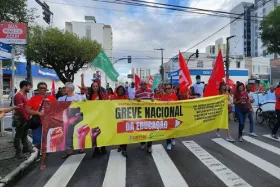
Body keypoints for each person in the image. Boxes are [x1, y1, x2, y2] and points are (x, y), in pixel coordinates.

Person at [26, 82, 56, 170]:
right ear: (38, 89)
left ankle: (43, 161)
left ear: (46, 89)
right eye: (41, 88)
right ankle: (43, 150)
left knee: (44, 143)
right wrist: (38, 113)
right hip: (37, 123)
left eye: (44, 88)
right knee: (37, 143)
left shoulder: (51, 98)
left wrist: (50, 104)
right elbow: (27, 110)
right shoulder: (33, 98)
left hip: (48, 123)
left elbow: (57, 109)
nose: (43, 89)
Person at [59, 82, 83, 159]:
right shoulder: (61, 99)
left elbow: (84, 107)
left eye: (65, 88)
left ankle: (80, 147)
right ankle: (69, 149)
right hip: (67, 118)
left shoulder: (78, 97)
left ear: (69, 89)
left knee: (76, 131)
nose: (64, 89)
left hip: (77, 117)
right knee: (68, 133)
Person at [13, 80, 34, 159]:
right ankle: (18, 153)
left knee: (24, 134)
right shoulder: (18, 96)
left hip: (26, 118)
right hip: (21, 118)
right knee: (18, 135)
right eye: (29, 86)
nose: (29, 88)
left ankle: (26, 148)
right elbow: (20, 109)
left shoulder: (24, 95)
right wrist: (26, 118)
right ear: (25, 86)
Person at [135, 79, 154, 153]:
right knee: (142, 128)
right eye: (142, 84)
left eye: (145, 84)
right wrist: (136, 99)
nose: (143, 85)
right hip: (141, 114)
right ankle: (142, 143)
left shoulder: (150, 90)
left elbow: (153, 98)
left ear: (147, 84)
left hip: (149, 113)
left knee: (149, 129)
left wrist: (152, 99)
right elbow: (133, 99)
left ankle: (149, 146)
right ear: (140, 85)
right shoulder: (137, 92)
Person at [89, 82, 107, 157]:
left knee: (102, 132)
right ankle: (96, 149)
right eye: (94, 86)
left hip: (101, 116)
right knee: (94, 133)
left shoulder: (102, 95)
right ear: (92, 87)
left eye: (96, 86)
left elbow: (107, 103)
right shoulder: (89, 96)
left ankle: (103, 147)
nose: (95, 87)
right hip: (93, 117)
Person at [111, 85, 129, 157]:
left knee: (125, 134)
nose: (120, 91)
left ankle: (124, 149)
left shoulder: (126, 97)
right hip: (117, 119)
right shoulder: (114, 97)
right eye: (119, 90)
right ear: (117, 91)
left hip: (125, 118)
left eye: (122, 90)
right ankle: (121, 146)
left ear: (124, 91)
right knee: (119, 133)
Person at [160, 83, 178, 150]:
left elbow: (178, 105)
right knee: (167, 130)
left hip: (173, 116)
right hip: (166, 116)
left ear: (171, 89)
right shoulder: (163, 97)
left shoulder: (174, 96)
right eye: (166, 88)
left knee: (173, 129)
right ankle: (168, 143)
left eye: (169, 88)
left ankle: (173, 138)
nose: (167, 89)